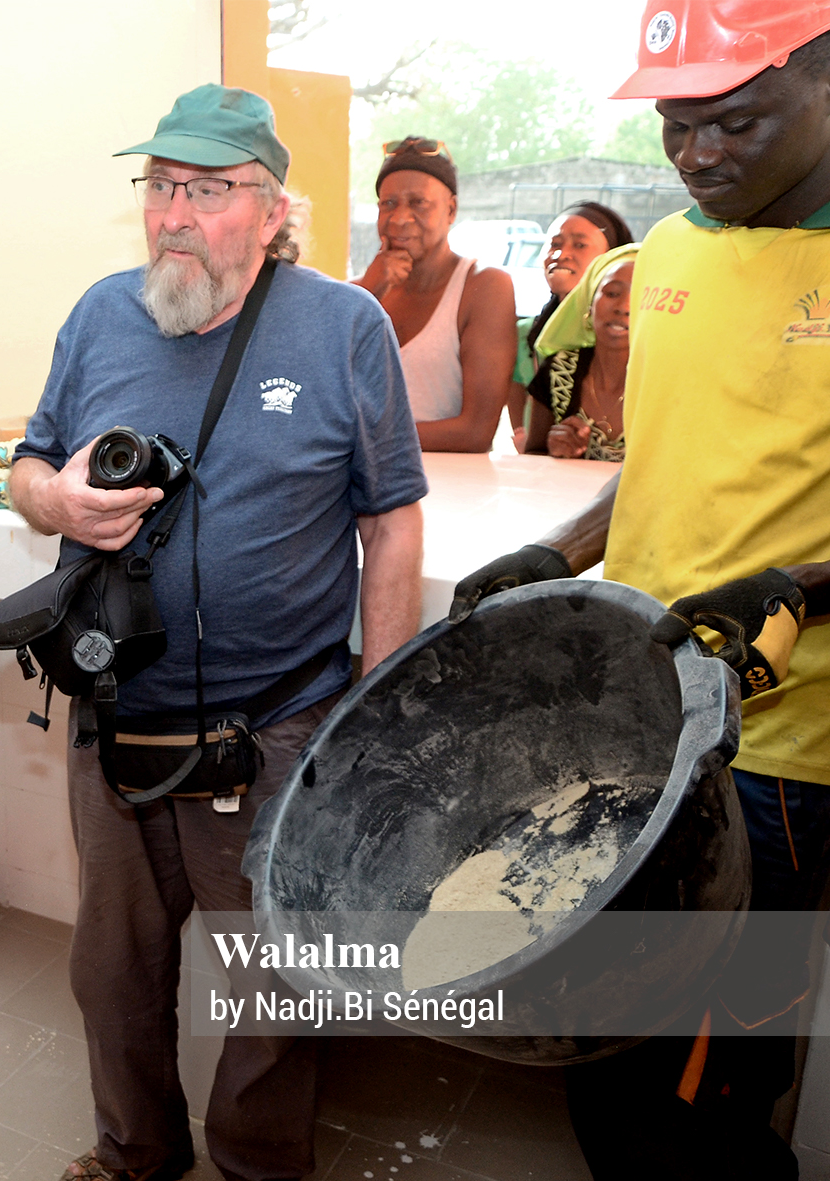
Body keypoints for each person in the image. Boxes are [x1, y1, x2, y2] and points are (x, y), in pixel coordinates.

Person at [8, 84, 427, 1181]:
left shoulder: (342, 328)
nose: (173, 214)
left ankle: (252, 1159)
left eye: (206, 189)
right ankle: (133, 1150)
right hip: (114, 721)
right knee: (113, 970)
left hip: (279, 727)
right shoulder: (101, 312)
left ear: (271, 207)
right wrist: (53, 501)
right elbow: (26, 461)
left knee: (277, 979)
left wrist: (372, 709)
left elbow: (390, 520)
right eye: (158, 185)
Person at [449, 4, 830, 1175]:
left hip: (779, 753)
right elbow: (660, 462)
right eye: (674, 126)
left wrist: (800, 588)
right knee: (603, 1030)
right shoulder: (663, 253)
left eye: (734, 121)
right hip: (631, 720)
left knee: (717, 1081)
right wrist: (557, 554)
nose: (696, 155)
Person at [354, 137, 518, 453]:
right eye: (389, 203)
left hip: (451, 493)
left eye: (418, 202)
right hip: (359, 490)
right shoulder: (357, 293)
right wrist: (367, 293)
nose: (400, 218)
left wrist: (357, 441)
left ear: (451, 210)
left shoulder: (483, 287)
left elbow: (475, 432)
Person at [508, 202, 634, 446]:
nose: (561, 254)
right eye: (554, 244)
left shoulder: (631, 345)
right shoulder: (523, 336)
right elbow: (525, 438)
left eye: (579, 244)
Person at [521, 244, 638, 461]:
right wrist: (555, 451)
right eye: (612, 293)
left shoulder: (668, 383)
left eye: (640, 295)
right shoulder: (559, 370)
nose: (624, 307)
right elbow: (533, 455)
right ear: (589, 304)